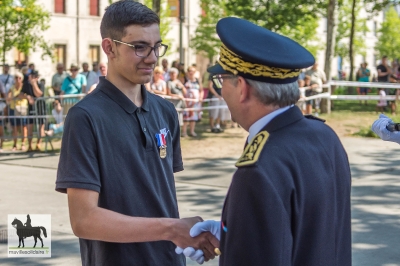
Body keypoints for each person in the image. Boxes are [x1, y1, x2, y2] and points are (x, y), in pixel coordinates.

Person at [177, 17, 352, 266]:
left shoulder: (260, 168)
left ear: (242, 87)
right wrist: (231, 232)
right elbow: (308, 232)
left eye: (222, 80)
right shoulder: (324, 136)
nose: (222, 90)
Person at [55, 2, 218, 266]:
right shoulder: (85, 117)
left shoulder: (165, 110)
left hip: (170, 259)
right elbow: (83, 220)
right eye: (139, 47)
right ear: (110, 48)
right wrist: (170, 228)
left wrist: (184, 233)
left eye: (157, 47)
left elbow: (157, 197)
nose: (153, 57)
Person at [21, 69, 45, 152]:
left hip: (40, 107)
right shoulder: (26, 85)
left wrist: (34, 84)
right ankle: (30, 145)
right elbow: (20, 94)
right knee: (29, 126)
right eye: (31, 76)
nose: (32, 78)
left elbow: (39, 94)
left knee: (40, 126)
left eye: (35, 77)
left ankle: (39, 144)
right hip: (31, 108)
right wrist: (27, 96)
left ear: (37, 77)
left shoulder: (41, 84)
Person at [6, 72, 28, 151]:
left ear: (21, 79)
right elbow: (8, 98)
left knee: (24, 127)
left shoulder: (24, 87)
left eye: (19, 78)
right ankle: (15, 144)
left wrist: (21, 96)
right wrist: (16, 96)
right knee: (15, 127)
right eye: (16, 77)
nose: (18, 79)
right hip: (13, 108)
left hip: (23, 108)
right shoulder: (11, 88)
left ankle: (23, 144)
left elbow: (27, 96)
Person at [182, 66, 203, 137]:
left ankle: (192, 131)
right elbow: (181, 88)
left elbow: (201, 90)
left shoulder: (197, 80)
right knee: (186, 117)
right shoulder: (185, 79)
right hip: (187, 102)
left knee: (194, 117)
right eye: (190, 71)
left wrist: (201, 97)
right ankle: (184, 132)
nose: (191, 72)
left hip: (195, 102)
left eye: (193, 71)